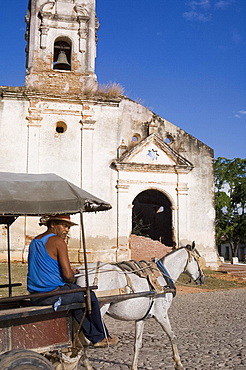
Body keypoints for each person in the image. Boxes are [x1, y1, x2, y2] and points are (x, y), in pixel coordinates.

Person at [27, 214, 118, 347]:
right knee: (89, 295)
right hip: (51, 295)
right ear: (53, 224)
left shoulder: (35, 241)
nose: (67, 230)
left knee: (76, 296)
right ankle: (100, 337)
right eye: (64, 226)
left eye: (68, 227)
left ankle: (94, 336)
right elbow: (68, 277)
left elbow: (44, 267)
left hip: (35, 295)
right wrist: (72, 273)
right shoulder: (58, 242)